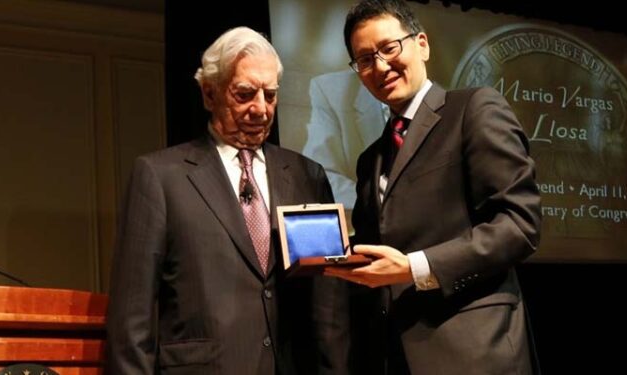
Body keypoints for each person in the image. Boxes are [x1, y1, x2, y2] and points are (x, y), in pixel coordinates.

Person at [105, 26, 349, 375]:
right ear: (209, 94)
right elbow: (132, 317)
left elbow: (330, 306)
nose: (261, 109)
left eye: (271, 94)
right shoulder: (160, 177)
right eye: (245, 94)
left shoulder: (307, 175)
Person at [324, 1, 542, 374]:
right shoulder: (370, 159)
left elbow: (519, 225)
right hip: (393, 355)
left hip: (476, 353)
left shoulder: (474, 109)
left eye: (389, 48)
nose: (379, 66)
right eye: (363, 60)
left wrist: (414, 267)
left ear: (421, 44)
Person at [302, 69, 388, 211]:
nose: (381, 65)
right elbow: (320, 175)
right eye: (366, 59)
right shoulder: (330, 90)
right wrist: (382, 206)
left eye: (390, 49)